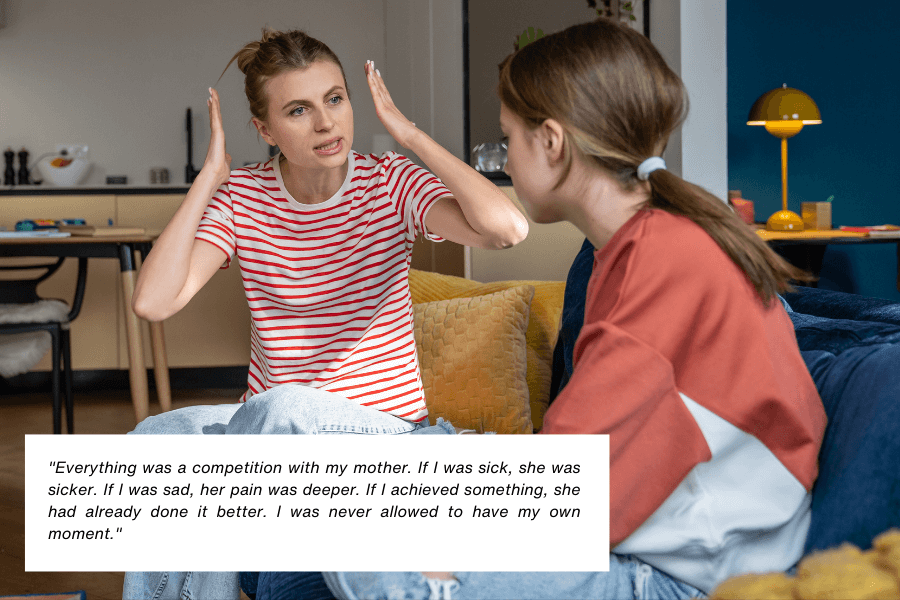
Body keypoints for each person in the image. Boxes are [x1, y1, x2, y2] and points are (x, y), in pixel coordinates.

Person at [322, 17, 827, 600]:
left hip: (689, 573)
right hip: (640, 527)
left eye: (508, 138)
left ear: (553, 143)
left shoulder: (664, 260)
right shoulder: (634, 247)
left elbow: (558, 488)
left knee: (359, 532)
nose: (505, 160)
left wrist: (445, 544)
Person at [122, 27, 527, 600]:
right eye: (298, 109)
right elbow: (153, 302)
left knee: (282, 407)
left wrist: (409, 135)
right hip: (274, 448)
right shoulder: (243, 198)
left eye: (335, 99)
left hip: (380, 439)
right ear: (265, 130)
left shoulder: (390, 183)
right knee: (157, 438)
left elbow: (507, 229)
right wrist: (208, 181)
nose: (326, 122)